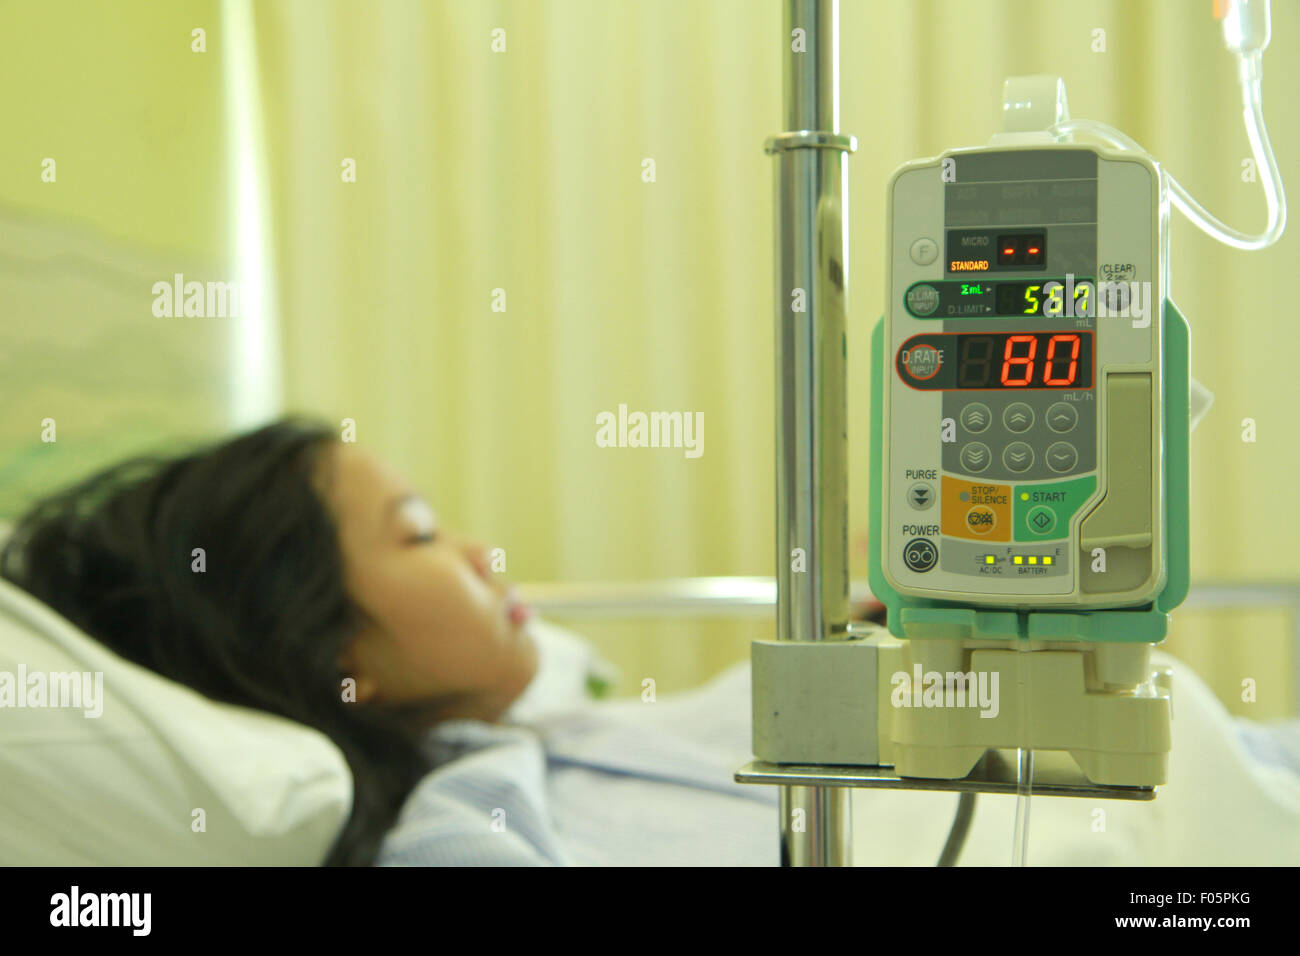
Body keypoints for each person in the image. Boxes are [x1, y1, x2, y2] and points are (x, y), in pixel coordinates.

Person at [0, 418, 777, 866]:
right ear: (339, 651)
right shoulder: (464, 823)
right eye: (420, 534)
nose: (479, 555)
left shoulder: (556, 730)